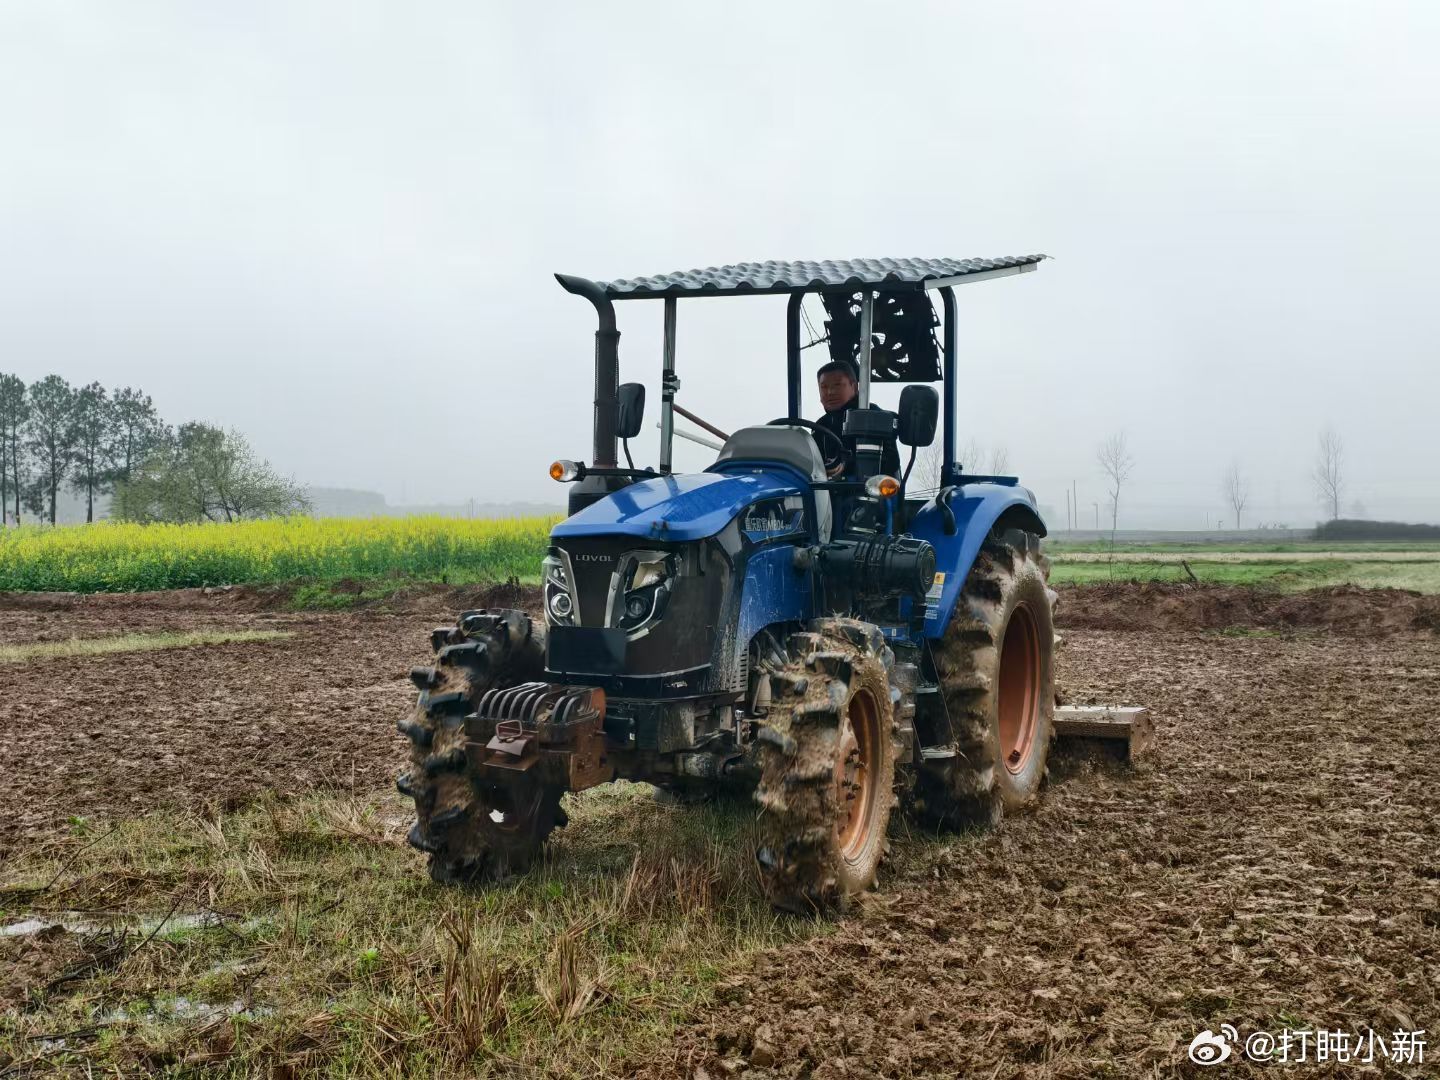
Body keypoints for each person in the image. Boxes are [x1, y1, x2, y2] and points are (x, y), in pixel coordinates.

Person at [814, 359, 902, 479]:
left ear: (854, 387)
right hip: (827, 493)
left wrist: (846, 466)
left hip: (871, 490)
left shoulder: (875, 417)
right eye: (824, 387)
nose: (830, 392)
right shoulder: (819, 427)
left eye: (837, 385)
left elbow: (890, 464)